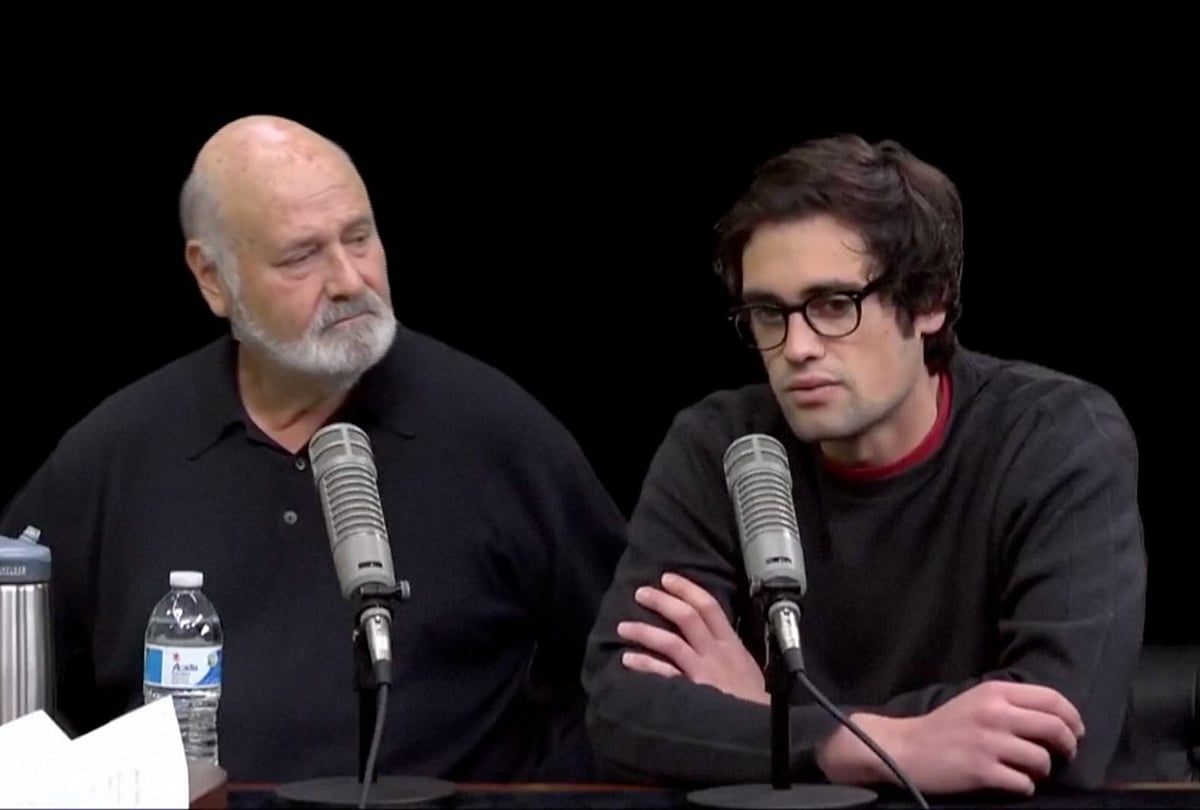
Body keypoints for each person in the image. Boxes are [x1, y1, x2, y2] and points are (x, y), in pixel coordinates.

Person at [0, 115, 627, 784]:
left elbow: (622, 687)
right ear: (212, 277)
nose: (349, 279)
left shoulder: (503, 435)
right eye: (301, 256)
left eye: (360, 238)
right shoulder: (117, 450)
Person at [581, 134, 1147, 797]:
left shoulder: (1057, 439)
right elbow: (619, 711)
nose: (795, 348)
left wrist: (773, 717)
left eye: (832, 306)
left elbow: (1058, 728)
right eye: (768, 312)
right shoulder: (718, 444)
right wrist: (854, 742)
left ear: (929, 302)